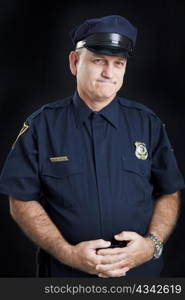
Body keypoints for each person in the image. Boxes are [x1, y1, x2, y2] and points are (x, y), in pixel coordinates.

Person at [0, 15, 184, 278]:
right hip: (65, 278)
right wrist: (67, 253)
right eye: (99, 61)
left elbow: (169, 192)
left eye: (118, 63)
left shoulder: (148, 124)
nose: (109, 73)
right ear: (75, 62)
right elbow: (20, 198)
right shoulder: (42, 126)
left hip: (140, 279)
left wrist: (150, 246)